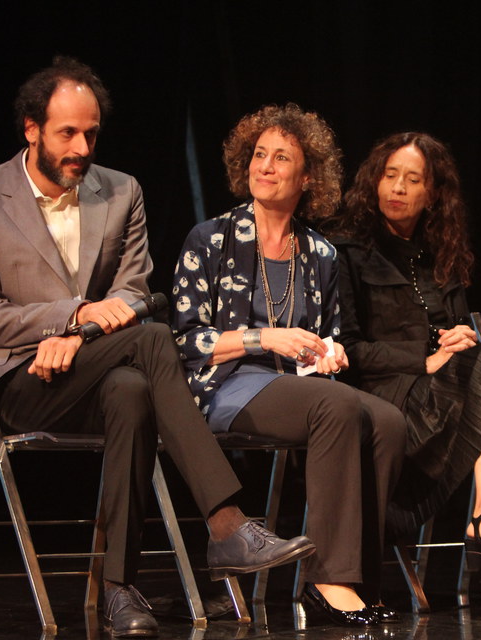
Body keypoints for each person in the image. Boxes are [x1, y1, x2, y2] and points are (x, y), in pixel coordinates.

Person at [0, 57, 314, 637]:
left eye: (91, 133)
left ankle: (119, 588)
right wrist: (71, 318)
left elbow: (136, 292)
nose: (81, 145)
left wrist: (80, 334)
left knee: (132, 390)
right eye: (67, 132)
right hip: (21, 378)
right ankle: (226, 525)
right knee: (148, 345)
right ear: (31, 128)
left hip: (101, 364)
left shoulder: (120, 192)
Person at [171, 104, 407, 626]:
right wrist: (264, 336)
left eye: (282, 158)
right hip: (220, 386)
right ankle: (328, 579)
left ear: (308, 177)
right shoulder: (210, 239)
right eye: (259, 155)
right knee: (335, 405)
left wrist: (329, 352)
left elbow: (323, 340)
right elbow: (185, 343)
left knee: (388, 420)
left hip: (290, 390)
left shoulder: (319, 253)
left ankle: (359, 577)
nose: (266, 166)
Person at [330, 132, 481, 613]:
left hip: (449, 404)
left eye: (412, 179)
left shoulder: (442, 255)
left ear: (433, 194)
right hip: (393, 406)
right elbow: (347, 350)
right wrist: (424, 356)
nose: (397, 187)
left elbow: (458, 340)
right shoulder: (346, 251)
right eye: (389, 175)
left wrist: (460, 341)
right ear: (373, 182)